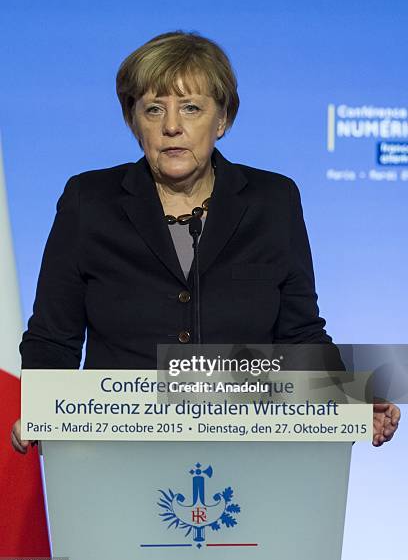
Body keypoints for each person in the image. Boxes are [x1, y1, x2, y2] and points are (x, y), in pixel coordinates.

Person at [11, 30, 400, 452]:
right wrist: (43, 411)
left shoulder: (272, 201)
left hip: (248, 452)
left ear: (222, 119)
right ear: (133, 121)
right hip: (116, 452)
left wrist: (347, 403)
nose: (172, 126)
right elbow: (53, 337)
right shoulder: (90, 201)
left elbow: (299, 334)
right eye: (154, 109)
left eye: (191, 108)